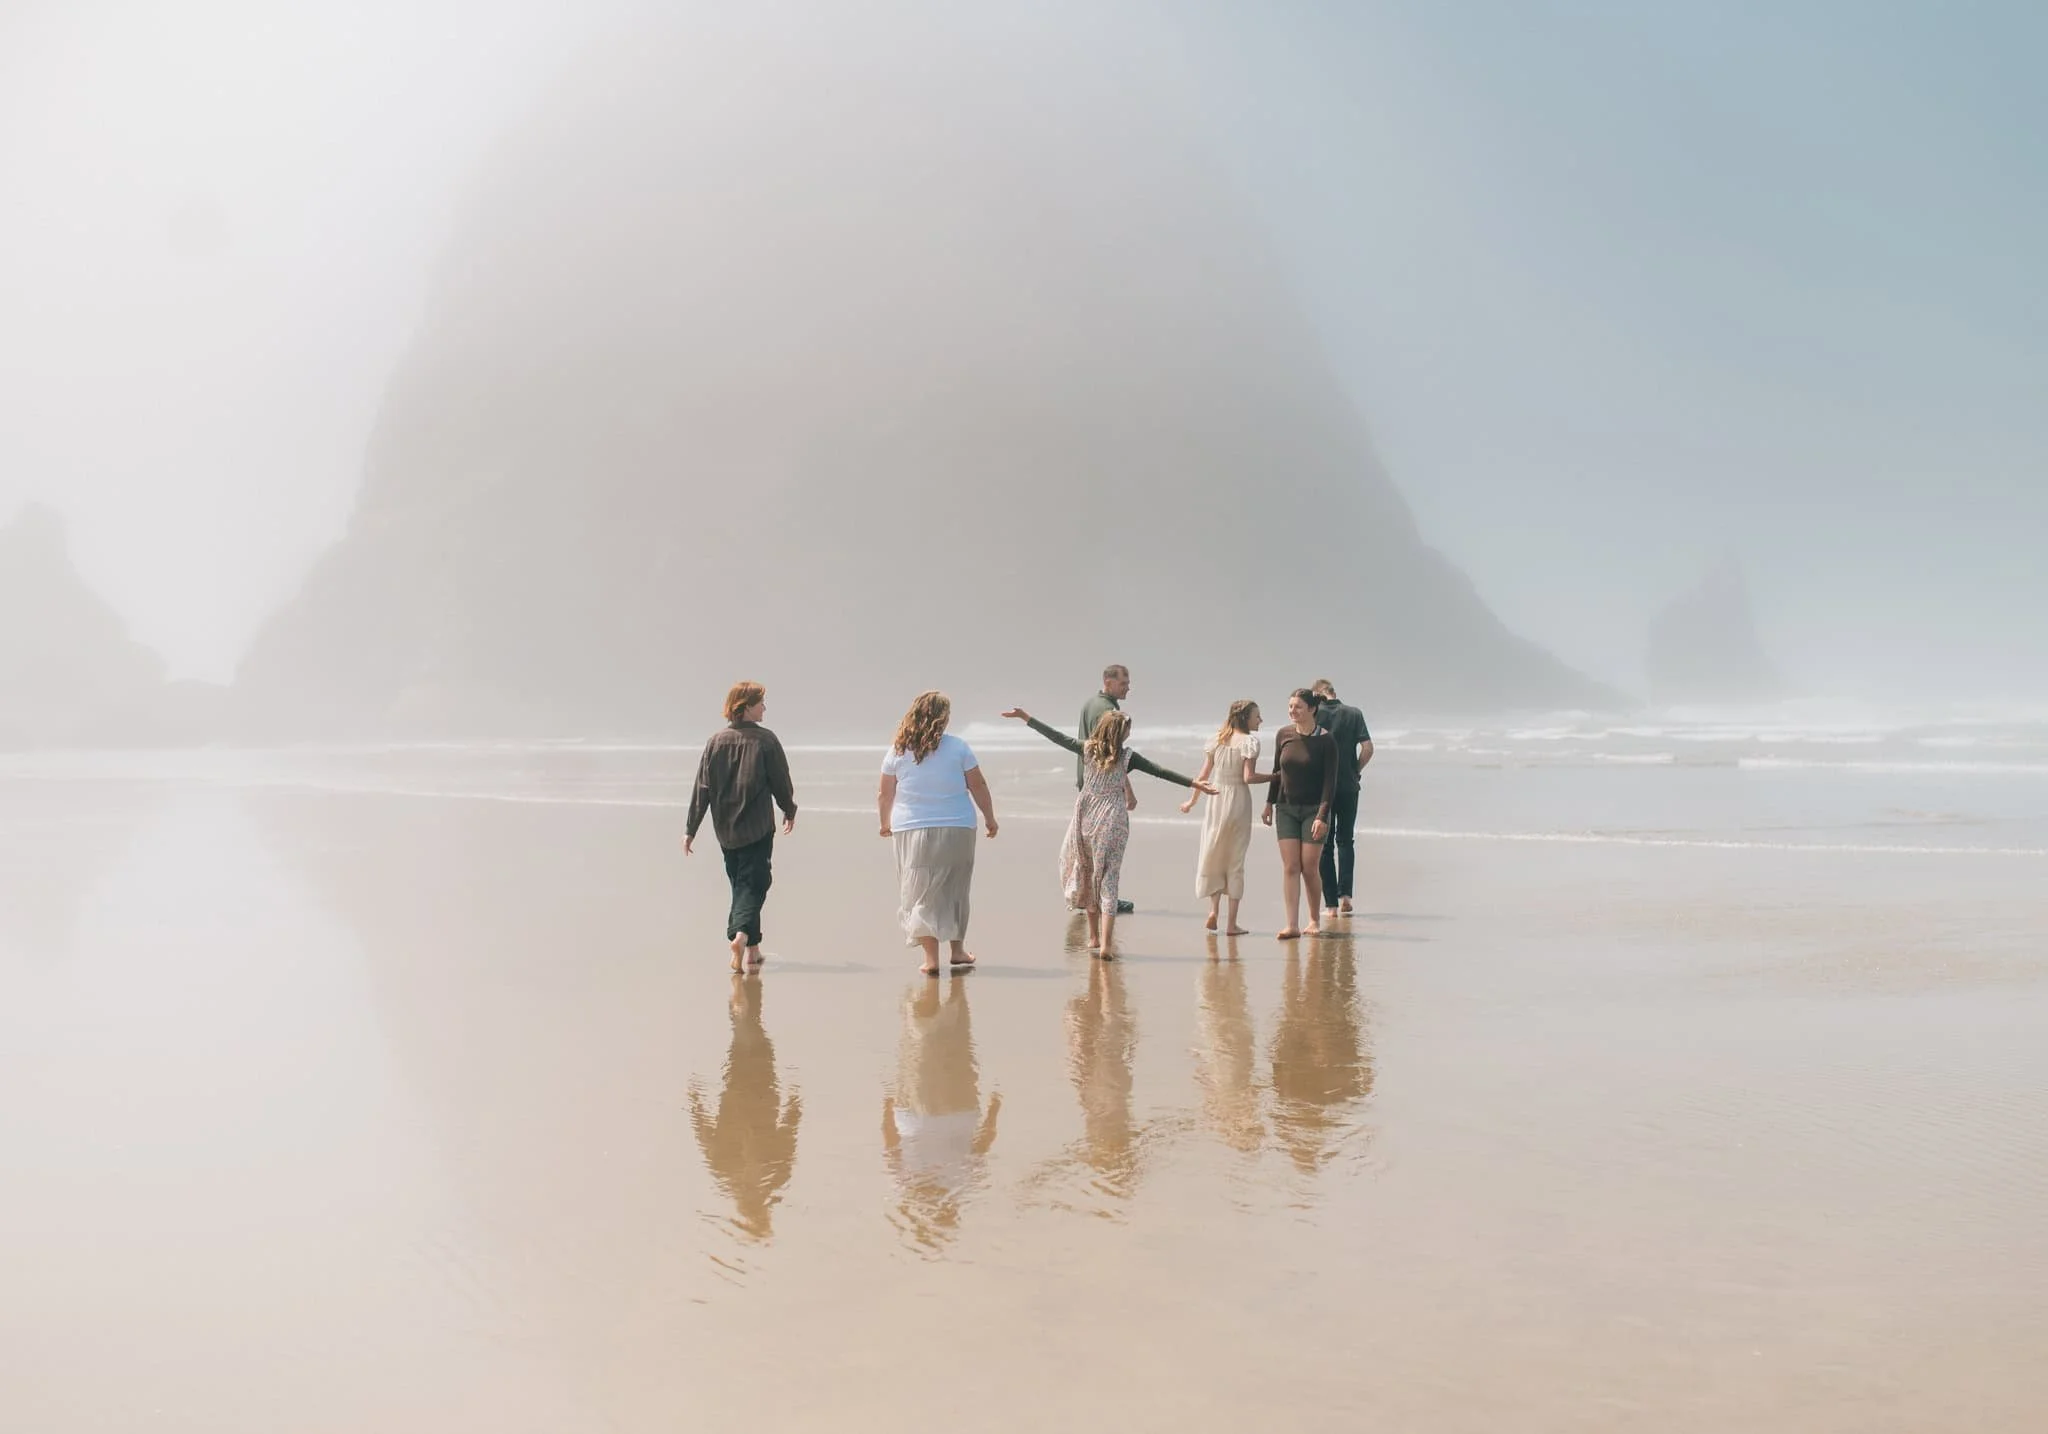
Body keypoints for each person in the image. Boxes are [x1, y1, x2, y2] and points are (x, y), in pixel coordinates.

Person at [1000, 705, 1214, 955]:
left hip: (1087, 816)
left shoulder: (1087, 748)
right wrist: (1194, 783)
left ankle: (1092, 938)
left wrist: (1027, 717)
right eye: (1128, 730)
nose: (1129, 735)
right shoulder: (1127, 757)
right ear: (1120, 733)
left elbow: (1055, 736)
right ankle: (1107, 944)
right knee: (1109, 879)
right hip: (1114, 820)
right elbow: (1160, 771)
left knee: (1089, 873)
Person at [878, 691, 999, 976]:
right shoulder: (959, 747)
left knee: (921, 890)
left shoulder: (897, 750)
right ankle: (957, 951)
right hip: (957, 826)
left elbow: (885, 793)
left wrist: (884, 823)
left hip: (911, 828)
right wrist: (990, 818)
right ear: (942, 718)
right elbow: (978, 785)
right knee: (956, 887)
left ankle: (931, 958)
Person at [685, 680, 797, 971]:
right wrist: (789, 809)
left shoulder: (715, 742)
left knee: (741, 885)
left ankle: (752, 951)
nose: (764, 707)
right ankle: (739, 936)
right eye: (760, 702)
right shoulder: (766, 741)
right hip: (757, 827)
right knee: (756, 883)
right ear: (745, 707)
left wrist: (690, 829)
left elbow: (702, 788)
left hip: (725, 829)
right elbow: (780, 781)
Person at [1179, 699, 1278, 935]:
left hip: (1215, 798)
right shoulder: (1250, 742)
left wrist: (1192, 802)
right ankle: (1231, 924)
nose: (1260, 720)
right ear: (1246, 718)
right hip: (1238, 802)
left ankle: (1213, 911)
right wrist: (1276, 777)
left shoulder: (1216, 740)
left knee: (1214, 852)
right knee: (1235, 860)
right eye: (1257, 716)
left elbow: (1202, 777)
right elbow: (1248, 778)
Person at [1261, 688, 1336, 940]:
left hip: (1314, 809)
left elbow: (1330, 783)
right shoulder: (1283, 735)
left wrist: (1322, 816)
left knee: (1309, 867)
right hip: (1286, 808)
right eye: (1291, 706)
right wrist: (1269, 803)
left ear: (1312, 709)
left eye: (1298, 707)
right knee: (1291, 866)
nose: (1293, 711)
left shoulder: (1326, 740)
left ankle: (1314, 919)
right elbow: (1276, 771)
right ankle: (1292, 924)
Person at [1077, 665, 1139, 914]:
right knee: (1105, 848)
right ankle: (1104, 899)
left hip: (1087, 782)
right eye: (1123, 683)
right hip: (1102, 786)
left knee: (1088, 847)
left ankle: (1086, 896)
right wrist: (1128, 790)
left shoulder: (1089, 703)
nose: (1128, 687)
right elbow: (1112, 754)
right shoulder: (1109, 710)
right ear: (1108, 681)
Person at [1310, 678, 1375, 917]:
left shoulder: (1314, 714)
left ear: (1317, 694)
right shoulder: (1354, 713)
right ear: (1334, 692)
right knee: (1346, 841)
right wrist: (1356, 770)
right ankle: (1346, 895)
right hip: (1349, 786)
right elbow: (1368, 748)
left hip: (1321, 789)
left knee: (1324, 844)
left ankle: (1330, 905)